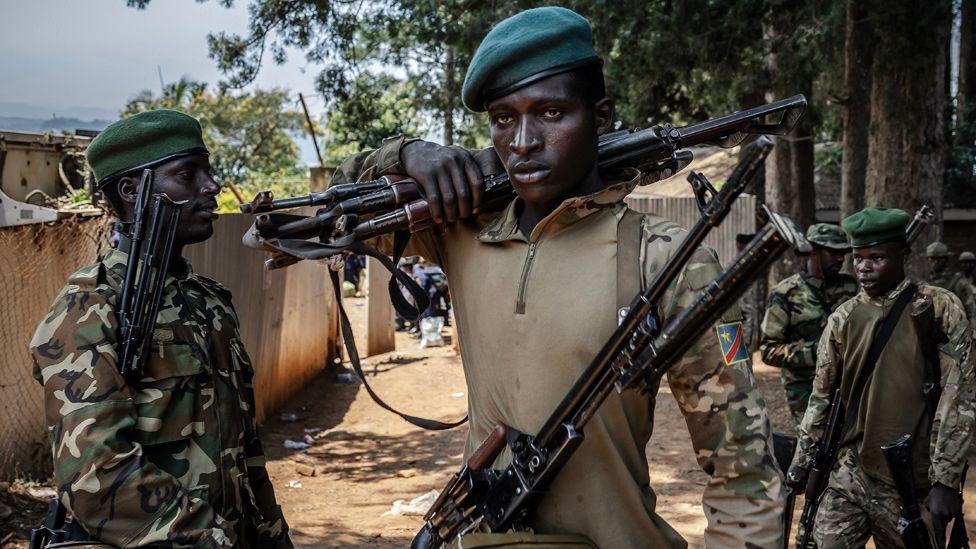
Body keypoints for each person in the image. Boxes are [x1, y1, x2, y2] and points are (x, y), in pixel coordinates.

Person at [330, 7, 784, 547]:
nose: (522, 141)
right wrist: (406, 153)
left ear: (601, 116)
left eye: (550, 112)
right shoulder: (460, 233)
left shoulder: (664, 256)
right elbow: (328, 217)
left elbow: (744, 470)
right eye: (503, 118)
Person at [29, 110, 292, 548]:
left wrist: (273, 537)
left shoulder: (209, 302)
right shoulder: (89, 309)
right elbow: (98, 477)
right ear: (132, 190)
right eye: (188, 174)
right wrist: (210, 541)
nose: (211, 186)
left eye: (207, 170)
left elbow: (244, 455)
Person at [787, 207, 975, 547]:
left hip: (910, 483)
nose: (863, 267)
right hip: (850, 471)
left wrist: (946, 481)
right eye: (858, 258)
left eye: (876, 257)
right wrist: (801, 463)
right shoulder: (843, 318)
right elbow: (822, 398)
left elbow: (958, 397)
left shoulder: (939, 308)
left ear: (904, 254)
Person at [760, 223, 858, 432]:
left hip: (847, 383)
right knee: (813, 445)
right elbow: (769, 350)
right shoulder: (786, 292)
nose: (841, 258)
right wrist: (820, 351)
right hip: (806, 389)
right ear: (812, 251)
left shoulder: (851, 287)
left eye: (843, 253)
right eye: (833, 252)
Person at [926, 242, 976, 322]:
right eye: (932, 258)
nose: (935, 262)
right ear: (928, 260)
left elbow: (971, 311)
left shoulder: (958, 282)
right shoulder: (925, 284)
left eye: (939, 259)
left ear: (946, 260)